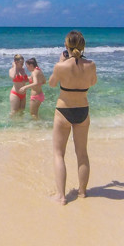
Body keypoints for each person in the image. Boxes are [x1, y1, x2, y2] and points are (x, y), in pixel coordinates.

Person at [48, 31, 97, 204]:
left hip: (64, 111)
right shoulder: (91, 64)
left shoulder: (61, 66)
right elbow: (92, 82)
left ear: (67, 46)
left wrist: (60, 63)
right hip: (82, 109)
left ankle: (61, 196)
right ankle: (82, 192)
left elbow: (52, 84)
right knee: (82, 153)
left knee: (58, 154)